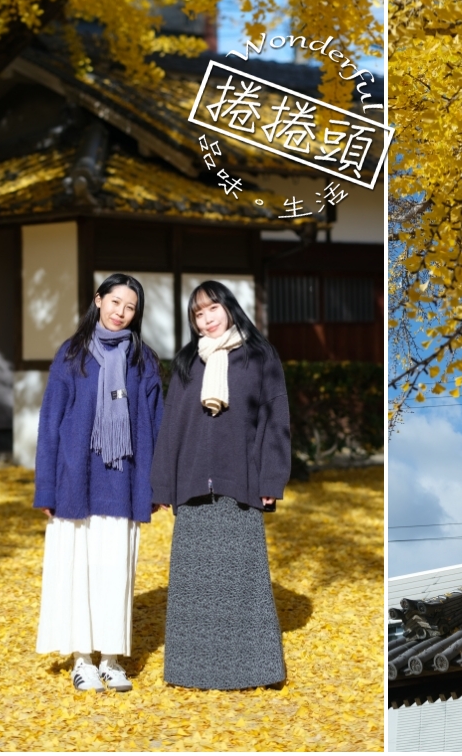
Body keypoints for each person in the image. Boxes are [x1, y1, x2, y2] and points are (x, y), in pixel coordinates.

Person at [151, 280, 291, 690]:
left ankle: (255, 670)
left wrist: (271, 478)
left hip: (241, 481)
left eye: (212, 308)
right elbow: (171, 426)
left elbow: (275, 419)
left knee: (242, 579)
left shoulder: (259, 357)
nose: (206, 318)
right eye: (198, 313)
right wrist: (162, 485)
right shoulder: (187, 363)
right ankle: (192, 671)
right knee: (195, 584)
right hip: (193, 483)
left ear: (229, 308)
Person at [33, 273, 164, 692]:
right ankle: (82, 660)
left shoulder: (144, 360)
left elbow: (157, 427)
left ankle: (110, 659)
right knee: (78, 569)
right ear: (98, 300)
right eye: (115, 302)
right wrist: (47, 487)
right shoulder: (71, 355)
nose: (121, 312)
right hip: (76, 480)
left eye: (130, 307)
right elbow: (50, 423)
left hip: (123, 482)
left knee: (114, 570)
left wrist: (157, 485)